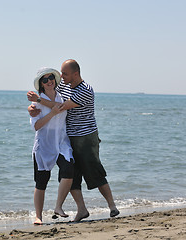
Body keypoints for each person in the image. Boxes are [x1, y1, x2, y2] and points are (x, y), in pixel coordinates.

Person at [27, 59, 120, 222]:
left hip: (85, 137)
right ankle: (82, 210)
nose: (60, 77)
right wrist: (32, 107)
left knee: (94, 170)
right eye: (60, 74)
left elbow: (60, 107)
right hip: (68, 137)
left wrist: (39, 101)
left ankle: (112, 206)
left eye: (64, 74)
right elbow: (47, 93)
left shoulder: (85, 90)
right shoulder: (64, 85)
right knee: (72, 175)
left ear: (75, 74)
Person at [30, 67, 74, 225]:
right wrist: (51, 113)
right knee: (41, 182)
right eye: (45, 79)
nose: (49, 81)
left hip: (61, 142)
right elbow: (36, 126)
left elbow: (61, 107)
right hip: (44, 144)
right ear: (41, 84)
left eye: (51, 78)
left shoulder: (62, 97)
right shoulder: (36, 103)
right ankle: (38, 216)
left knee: (68, 170)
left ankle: (58, 207)